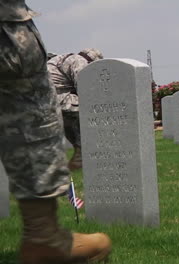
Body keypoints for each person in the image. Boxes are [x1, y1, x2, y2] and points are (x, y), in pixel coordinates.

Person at [0, 1, 111, 263]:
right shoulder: (78, 62)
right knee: (32, 104)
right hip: (60, 99)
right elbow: (89, 92)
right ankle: (45, 237)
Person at [47, 48, 103, 170]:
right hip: (58, 99)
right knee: (94, 108)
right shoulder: (80, 62)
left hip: (47, 100)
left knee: (69, 121)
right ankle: (84, 149)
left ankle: (80, 150)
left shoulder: (66, 57)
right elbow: (85, 90)